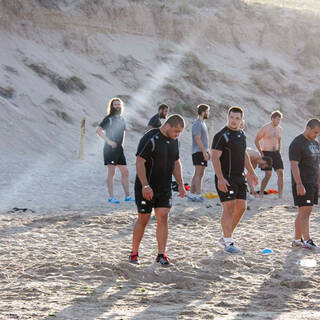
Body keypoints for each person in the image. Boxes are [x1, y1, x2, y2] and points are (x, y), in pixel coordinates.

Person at [129, 114, 186, 265]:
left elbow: (176, 162)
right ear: (167, 126)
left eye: (179, 132)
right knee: (144, 218)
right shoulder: (150, 138)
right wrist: (145, 185)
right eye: (176, 131)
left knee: (163, 218)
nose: (177, 135)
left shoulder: (175, 141)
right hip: (146, 185)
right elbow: (140, 162)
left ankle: (161, 254)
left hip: (164, 186)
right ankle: (134, 253)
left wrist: (180, 184)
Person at [212, 106, 258, 253]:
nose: (233, 121)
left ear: (241, 120)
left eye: (237, 118)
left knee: (242, 207)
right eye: (231, 117)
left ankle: (225, 238)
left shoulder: (241, 135)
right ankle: (228, 242)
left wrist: (251, 172)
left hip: (239, 177)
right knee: (229, 208)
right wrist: (220, 178)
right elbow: (214, 158)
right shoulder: (221, 135)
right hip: (225, 177)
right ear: (228, 118)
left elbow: (244, 154)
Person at [96, 97, 135, 204]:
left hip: (119, 149)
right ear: (112, 106)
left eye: (119, 104)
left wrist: (121, 145)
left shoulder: (122, 119)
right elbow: (98, 130)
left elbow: (123, 132)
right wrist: (109, 142)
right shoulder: (108, 118)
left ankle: (128, 196)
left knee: (125, 172)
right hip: (110, 149)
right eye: (115, 104)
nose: (117, 106)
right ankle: (111, 197)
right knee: (111, 173)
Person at [289, 118, 320, 250]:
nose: (316, 135)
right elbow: (294, 165)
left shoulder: (315, 143)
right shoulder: (297, 143)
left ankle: (297, 240)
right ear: (308, 128)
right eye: (315, 132)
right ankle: (307, 240)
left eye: (318, 133)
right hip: (303, 182)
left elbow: (318, 165)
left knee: (304, 211)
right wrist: (299, 184)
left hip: (313, 182)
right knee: (305, 211)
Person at [255, 110, 284, 198]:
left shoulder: (280, 129)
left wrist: (279, 151)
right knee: (268, 175)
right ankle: (261, 193)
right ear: (272, 119)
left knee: (280, 173)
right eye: (277, 119)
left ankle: (280, 195)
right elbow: (256, 140)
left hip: (276, 153)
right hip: (266, 153)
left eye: (280, 119)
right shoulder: (265, 128)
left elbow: (279, 140)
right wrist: (261, 153)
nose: (278, 121)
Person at [189, 104, 211, 202]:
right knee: (198, 173)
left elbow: (204, 140)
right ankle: (197, 195)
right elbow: (197, 138)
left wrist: (207, 151)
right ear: (203, 112)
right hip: (198, 151)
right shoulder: (197, 123)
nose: (208, 113)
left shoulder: (203, 123)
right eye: (207, 111)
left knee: (200, 173)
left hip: (202, 151)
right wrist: (203, 152)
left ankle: (192, 194)